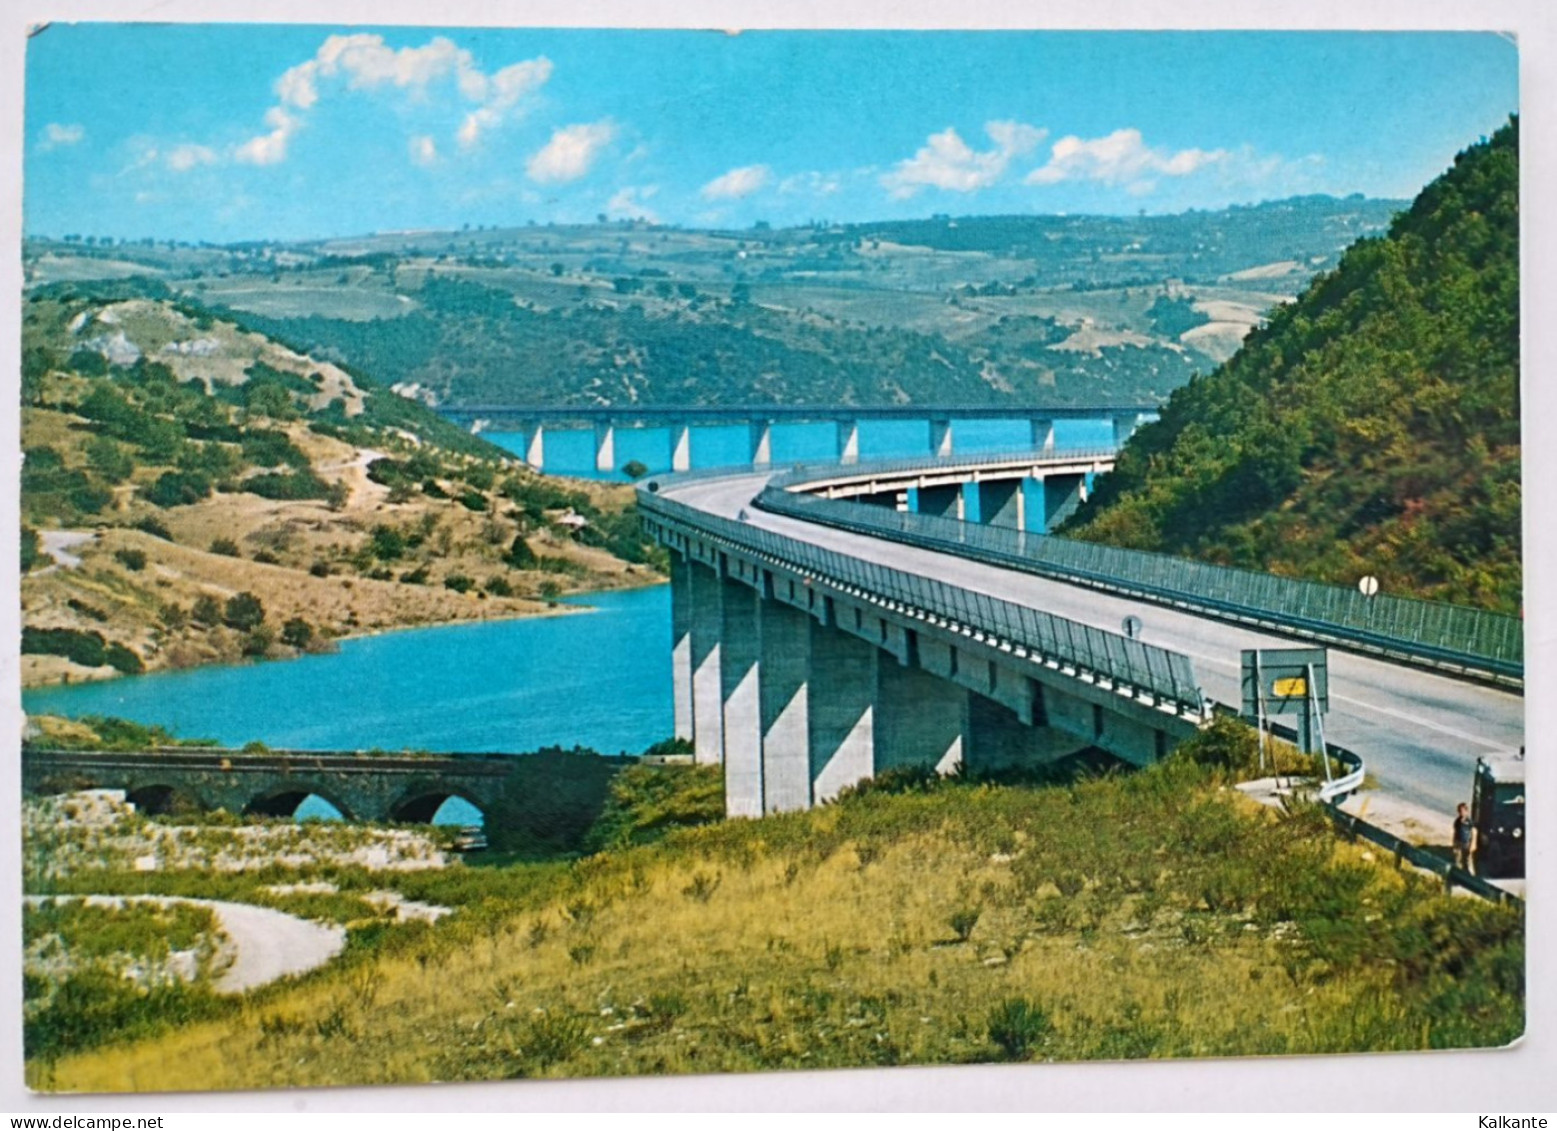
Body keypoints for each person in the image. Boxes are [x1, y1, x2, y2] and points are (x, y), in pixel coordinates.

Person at [1453, 802, 1476, 872]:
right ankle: (1458, 875)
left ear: (1466, 811)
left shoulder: (1469, 821)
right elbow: (1455, 832)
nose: (1461, 813)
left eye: (1462, 811)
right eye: (1459, 811)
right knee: (1458, 860)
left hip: (1467, 843)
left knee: (1468, 861)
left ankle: (1471, 877)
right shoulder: (1457, 821)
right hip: (1459, 842)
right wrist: (1454, 843)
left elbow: (1474, 832)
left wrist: (1473, 844)